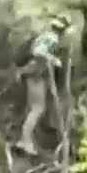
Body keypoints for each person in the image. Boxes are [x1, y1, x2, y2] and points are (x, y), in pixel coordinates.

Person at [15, 15, 70, 156]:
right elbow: (38, 52)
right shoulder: (52, 39)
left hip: (32, 73)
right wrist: (54, 59)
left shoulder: (43, 36)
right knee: (38, 108)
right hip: (36, 75)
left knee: (33, 108)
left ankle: (27, 139)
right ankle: (25, 141)